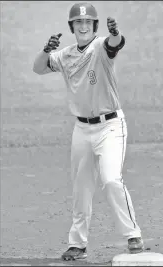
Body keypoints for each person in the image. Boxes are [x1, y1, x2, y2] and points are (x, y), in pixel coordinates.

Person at [33, 2, 144, 261]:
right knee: (81, 188)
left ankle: (133, 234)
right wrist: (45, 50)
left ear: (95, 26)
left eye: (88, 22)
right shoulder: (65, 55)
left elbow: (115, 44)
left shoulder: (101, 47)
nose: (83, 26)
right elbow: (39, 67)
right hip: (81, 129)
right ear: (72, 26)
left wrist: (115, 33)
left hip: (111, 126)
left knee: (110, 179)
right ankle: (78, 245)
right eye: (78, 22)